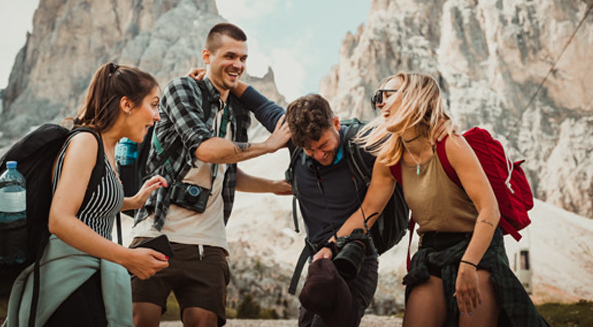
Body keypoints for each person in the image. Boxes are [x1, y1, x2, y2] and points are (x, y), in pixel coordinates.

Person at [327, 72, 549, 326]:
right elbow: (368, 211)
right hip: (431, 251)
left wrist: (468, 265)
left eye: (387, 95)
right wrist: (330, 246)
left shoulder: (450, 145)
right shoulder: (389, 159)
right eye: (377, 97)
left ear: (415, 98)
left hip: (477, 248)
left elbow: (490, 210)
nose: (379, 103)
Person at [130, 23, 292, 327]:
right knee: (139, 322)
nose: (238, 65)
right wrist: (267, 147)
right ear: (207, 55)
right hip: (156, 232)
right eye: (229, 56)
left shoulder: (239, 111)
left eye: (243, 59)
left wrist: (273, 186)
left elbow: (226, 170)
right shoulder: (182, 89)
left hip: (210, 243)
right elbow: (205, 149)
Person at [3, 62, 171, 327]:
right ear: (127, 105)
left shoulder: (107, 148)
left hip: (90, 274)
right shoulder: (86, 142)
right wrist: (128, 257)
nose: (157, 116)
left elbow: (87, 205)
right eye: (153, 104)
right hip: (68, 281)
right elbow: (59, 220)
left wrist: (133, 200)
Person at [230, 84, 389, 327]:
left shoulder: (363, 145)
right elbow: (261, 105)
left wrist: (331, 246)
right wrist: (225, 79)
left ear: (336, 123)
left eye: (323, 145)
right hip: (320, 263)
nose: (318, 155)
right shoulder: (296, 140)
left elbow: (371, 206)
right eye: (309, 150)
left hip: (356, 259)